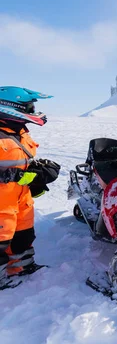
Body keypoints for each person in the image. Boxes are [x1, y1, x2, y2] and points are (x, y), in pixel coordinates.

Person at [0, 87, 60, 290]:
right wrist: (14, 176)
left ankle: (21, 268)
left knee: (23, 236)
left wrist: (38, 172)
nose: (33, 110)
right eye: (29, 107)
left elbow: (18, 161)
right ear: (11, 107)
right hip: (1, 201)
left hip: (20, 197)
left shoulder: (19, 131)